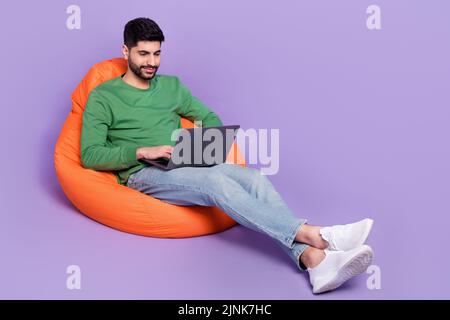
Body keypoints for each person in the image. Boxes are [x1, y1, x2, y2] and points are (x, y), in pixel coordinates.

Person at [80, 17, 374, 294]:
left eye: (157, 54)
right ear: (125, 51)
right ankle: (318, 236)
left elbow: (207, 115)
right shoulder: (104, 96)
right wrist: (142, 151)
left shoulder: (171, 86)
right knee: (216, 183)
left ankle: (315, 262)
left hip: (182, 160)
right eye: (143, 54)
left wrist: (198, 145)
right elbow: (90, 155)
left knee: (255, 178)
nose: (152, 63)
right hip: (142, 172)